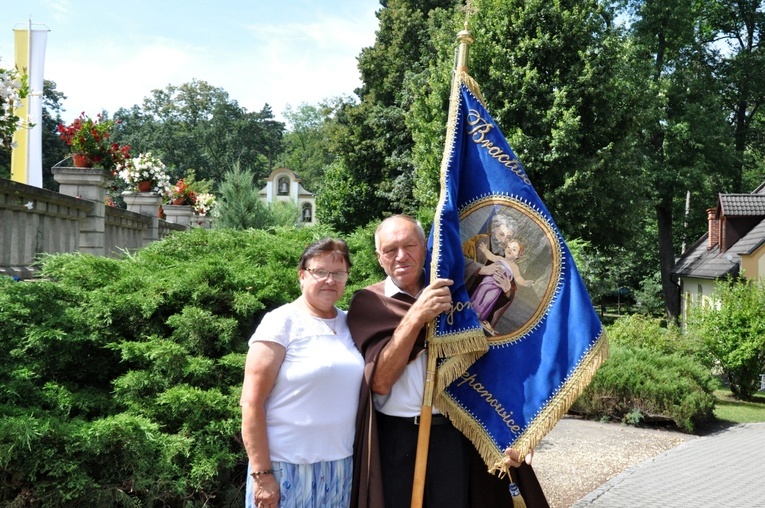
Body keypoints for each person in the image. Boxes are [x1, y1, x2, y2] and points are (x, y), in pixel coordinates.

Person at [348, 215, 548, 508]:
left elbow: (504, 360)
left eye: (410, 245)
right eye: (390, 250)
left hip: (456, 434)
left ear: (425, 248)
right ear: (379, 258)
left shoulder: (459, 294)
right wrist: (417, 316)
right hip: (397, 438)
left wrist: (520, 428)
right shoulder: (369, 303)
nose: (401, 256)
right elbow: (379, 381)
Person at [240, 238, 364, 508]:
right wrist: (262, 475)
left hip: (339, 467)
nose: (329, 280)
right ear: (302, 275)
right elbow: (251, 403)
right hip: (285, 468)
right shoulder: (280, 323)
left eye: (338, 273)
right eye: (320, 272)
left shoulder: (350, 323)